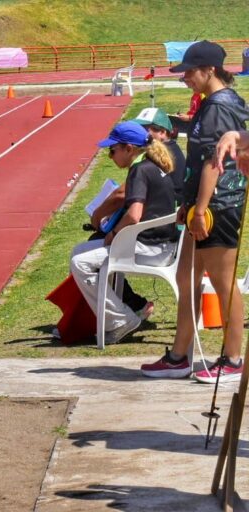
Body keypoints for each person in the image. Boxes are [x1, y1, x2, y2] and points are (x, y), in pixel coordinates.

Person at [141, 41, 249, 382]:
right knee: (185, 276)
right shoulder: (209, 104)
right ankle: (179, 356)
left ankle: (232, 358)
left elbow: (214, 163)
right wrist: (188, 206)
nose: (184, 78)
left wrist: (200, 209)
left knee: (222, 282)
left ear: (210, 70)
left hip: (219, 205)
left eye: (189, 72)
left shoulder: (222, 106)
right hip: (200, 207)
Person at [70, 121, 177, 344]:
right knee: (79, 251)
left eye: (113, 150)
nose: (110, 156)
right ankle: (120, 313)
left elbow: (134, 215)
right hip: (160, 245)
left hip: (150, 248)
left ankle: (120, 320)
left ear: (129, 148)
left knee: (80, 262)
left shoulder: (140, 170)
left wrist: (113, 235)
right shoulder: (153, 165)